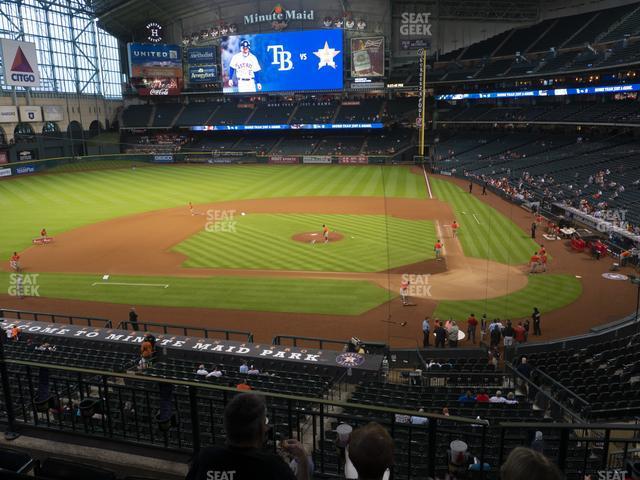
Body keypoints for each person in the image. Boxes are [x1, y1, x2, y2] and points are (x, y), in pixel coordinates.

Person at [185, 393, 309, 480]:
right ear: (262, 431)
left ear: (226, 427)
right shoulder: (273, 466)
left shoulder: (206, 457)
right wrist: (303, 460)